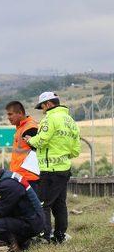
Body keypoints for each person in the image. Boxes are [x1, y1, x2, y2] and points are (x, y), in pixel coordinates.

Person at [24, 92, 80, 244]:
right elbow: (76, 150)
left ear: (48, 104)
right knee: (59, 204)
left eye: (42, 106)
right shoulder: (70, 121)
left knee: (43, 204)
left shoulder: (49, 118)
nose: (42, 110)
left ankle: (45, 236)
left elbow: (41, 140)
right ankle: (60, 236)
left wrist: (30, 140)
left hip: (50, 171)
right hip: (64, 169)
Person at [0, 163, 45, 252]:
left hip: (32, 223)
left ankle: (21, 243)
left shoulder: (8, 184)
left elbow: (1, 211)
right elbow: (13, 202)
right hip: (30, 217)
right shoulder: (7, 176)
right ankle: (18, 242)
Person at [5, 101, 40, 194]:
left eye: (10, 114)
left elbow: (37, 150)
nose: (8, 117)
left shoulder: (30, 127)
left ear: (20, 113)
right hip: (20, 176)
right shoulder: (21, 127)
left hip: (28, 178)